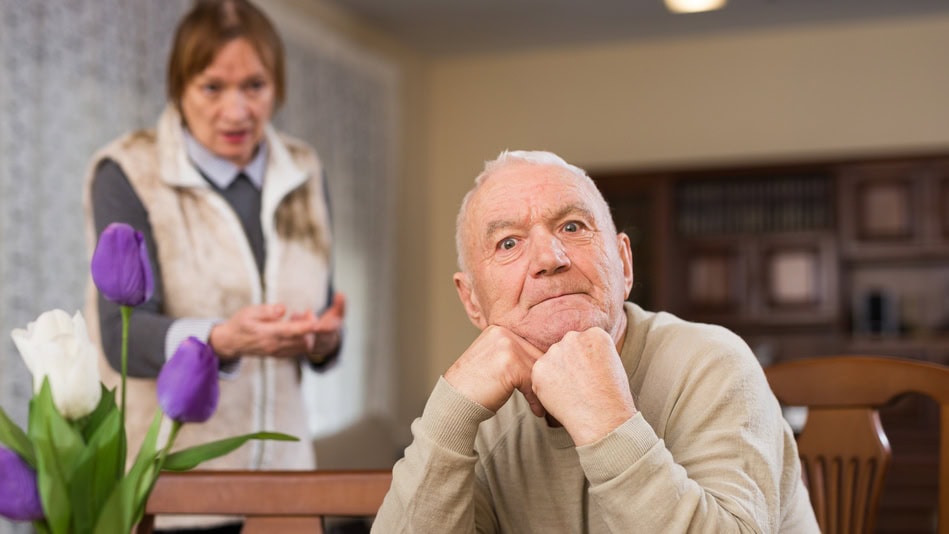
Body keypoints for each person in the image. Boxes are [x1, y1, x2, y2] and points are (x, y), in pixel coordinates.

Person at [372, 150, 819, 532]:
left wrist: (607, 422)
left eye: (571, 227)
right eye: (508, 243)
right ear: (471, 300)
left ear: (624, 264)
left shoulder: (714, 363)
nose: (549, 258)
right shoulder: (482, 408)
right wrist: (450, 411)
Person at [81, 0, 344, 530]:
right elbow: (120, 336)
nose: (237, 111)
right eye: (212, 87)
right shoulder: (129, 170)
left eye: (255, 86)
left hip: (286, 488)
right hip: (175, 493)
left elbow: (324, 322)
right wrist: (222, 340)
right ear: (179, 86)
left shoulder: (305, 171)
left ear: (278, 87)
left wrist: (325, 340)